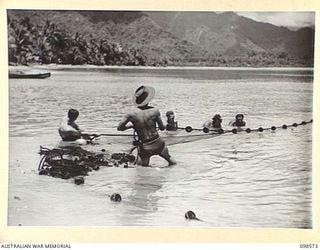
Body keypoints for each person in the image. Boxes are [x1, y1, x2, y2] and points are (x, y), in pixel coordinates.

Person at [117, 85, 176, 166]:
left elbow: (120, 128)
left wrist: (131, 126)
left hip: (145, 146)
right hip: (158, 142)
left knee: (143, 168)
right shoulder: (155, 111)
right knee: (171, 161)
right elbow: (162, 128)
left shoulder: (131, 114)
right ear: (148, 99)